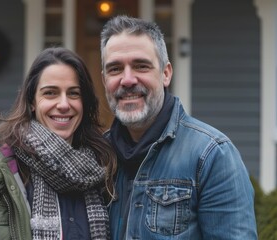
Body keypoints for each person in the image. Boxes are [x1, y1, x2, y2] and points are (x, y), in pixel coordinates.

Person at [100, 15, 257, 239]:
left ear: (166, 73)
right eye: (115, 69)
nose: (127, 80)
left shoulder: (212, 155)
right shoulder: (98, 156)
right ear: (105, 79)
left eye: (141, 66)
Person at [0, 47, 116, 240]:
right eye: (50, 93)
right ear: (32, 102)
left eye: (73, 93)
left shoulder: (105, 170)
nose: (63, 104)